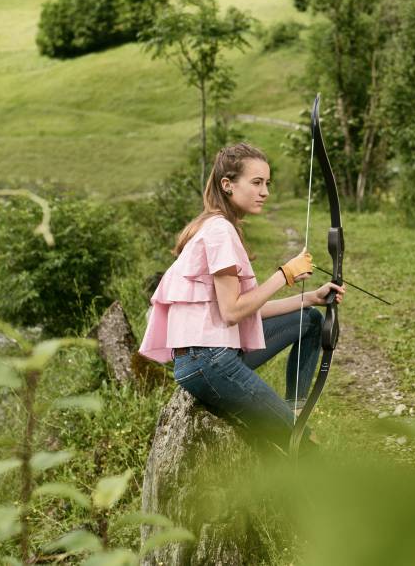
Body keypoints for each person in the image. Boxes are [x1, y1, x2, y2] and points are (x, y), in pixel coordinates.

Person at [139, 143, 345, 451]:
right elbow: (233, 312)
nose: (265, 192)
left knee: (311, 320)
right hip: (207, 359)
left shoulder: (217, 226)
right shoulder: (220, 230)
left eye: (268, 183)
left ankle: (296, 410)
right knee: (302, 444)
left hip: (210, 354)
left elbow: (249, 310)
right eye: (256, 182)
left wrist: (309, 298)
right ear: (228, 184)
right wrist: (284, 275)